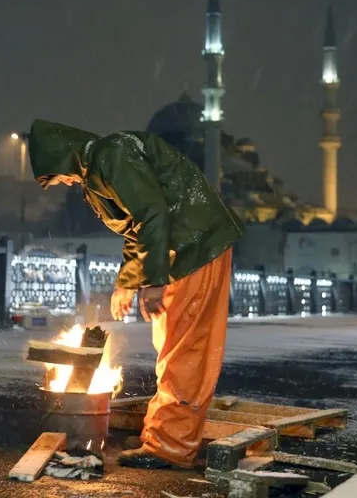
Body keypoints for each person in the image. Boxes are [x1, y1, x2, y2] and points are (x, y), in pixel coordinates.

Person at [27, 119, 244, 469]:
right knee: (174, 346)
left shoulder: (113, 154)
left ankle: (170, 447)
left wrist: (153, 280)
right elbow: (134, 230)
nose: (63, 182)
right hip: (182, 250)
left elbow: (152, 214)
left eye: (58, 176)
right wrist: (128, 281)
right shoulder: (96, 176)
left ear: (62, 155)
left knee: (185, 348)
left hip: (193, 246)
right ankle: (165, 435)